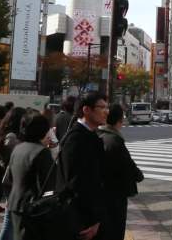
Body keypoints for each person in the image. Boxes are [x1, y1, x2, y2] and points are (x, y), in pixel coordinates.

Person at [55, 92, 108, 240]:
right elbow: (77, 183)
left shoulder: (90, 135)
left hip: (84, 216)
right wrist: (93, 219)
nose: (106, 111)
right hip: (80, 220)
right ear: (86, 110)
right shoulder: (76, 139)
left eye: (107, 107)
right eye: (101, 107)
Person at [97, 104, 143, 240]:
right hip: (115, 194)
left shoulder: (96, 135)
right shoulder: (115, 140)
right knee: (115, 229)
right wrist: (139, 175)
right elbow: (128, 166)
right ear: (119, 121)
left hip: (99, 192)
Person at [6, 110, 53, 240]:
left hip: (15, 203)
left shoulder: (18, 148)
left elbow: (9, 177)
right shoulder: (42, 152)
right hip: (33, 209)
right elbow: (47, 187)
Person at [0, 107, 26, 240]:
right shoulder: (12, 136)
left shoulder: (11, 134)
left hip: (12, 179)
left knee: (10, 216)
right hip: (11, 180)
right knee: (9, 216)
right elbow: (12, 154)